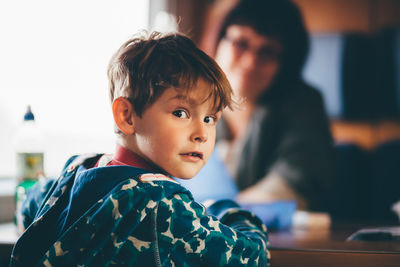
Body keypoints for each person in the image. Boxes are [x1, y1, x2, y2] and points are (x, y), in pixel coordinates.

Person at [10, 32, 269, 266]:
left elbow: (29, 203)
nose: (201, 134)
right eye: (181, 113)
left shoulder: (78, 168)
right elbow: (251, 255)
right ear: (127, 116)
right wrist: (229, 211)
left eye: (210, 118)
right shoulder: (163, 203)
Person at [209, 0, 335, 210]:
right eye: (241, 43)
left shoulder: (304, 103)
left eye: (267, 51)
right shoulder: (191, 98)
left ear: (285, 63)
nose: (250, 62)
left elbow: (295, 183)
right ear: (218, 41)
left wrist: (220, 213)